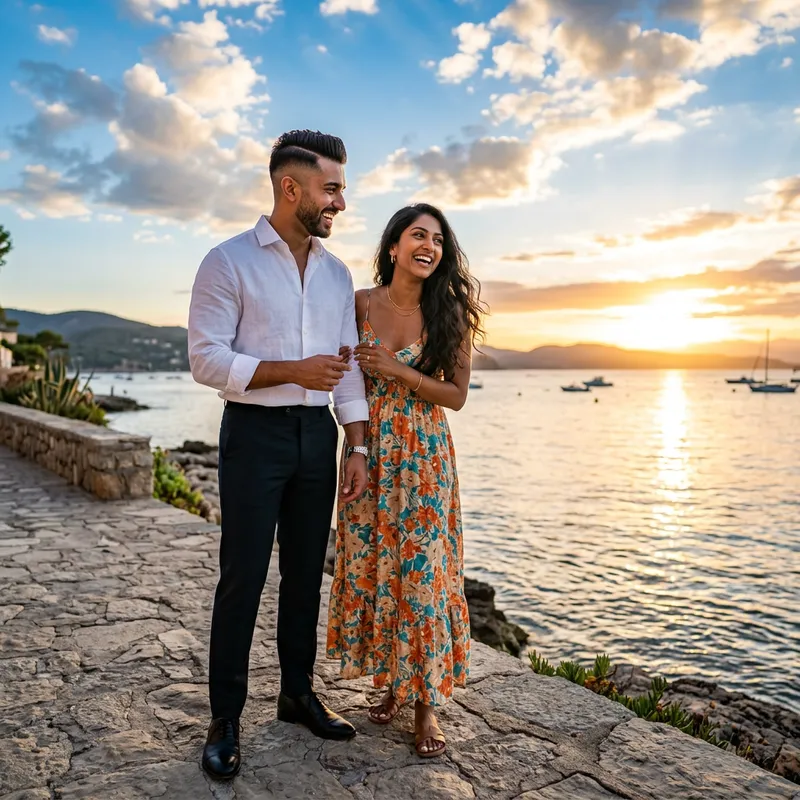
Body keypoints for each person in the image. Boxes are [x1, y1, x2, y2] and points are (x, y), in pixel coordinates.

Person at [188, 130, 370, 781]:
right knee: (242, 575)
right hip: (253, 435)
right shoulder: (228, 262)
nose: (340, 202)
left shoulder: (337, 273)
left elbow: (346, 369)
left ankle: (297, 694)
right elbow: (205, 359)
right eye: (331, 188)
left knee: (303, 573)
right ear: (290, 187)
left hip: (318, 437)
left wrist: (357, 443)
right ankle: (225, 718)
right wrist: (292, 369)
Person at [327, 203, 485, 758]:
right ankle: (394, 683)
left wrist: (397, 370)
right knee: (376, 564)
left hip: (423, 458)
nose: (430, 247)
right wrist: (355, 446)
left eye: (438, 241)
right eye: (419, 235)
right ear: (393, 246)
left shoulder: (449, 311)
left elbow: (456, 396)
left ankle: (425, 708)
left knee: (421, 576)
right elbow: (343, 377)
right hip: (369, 451)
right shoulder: (359, 304)